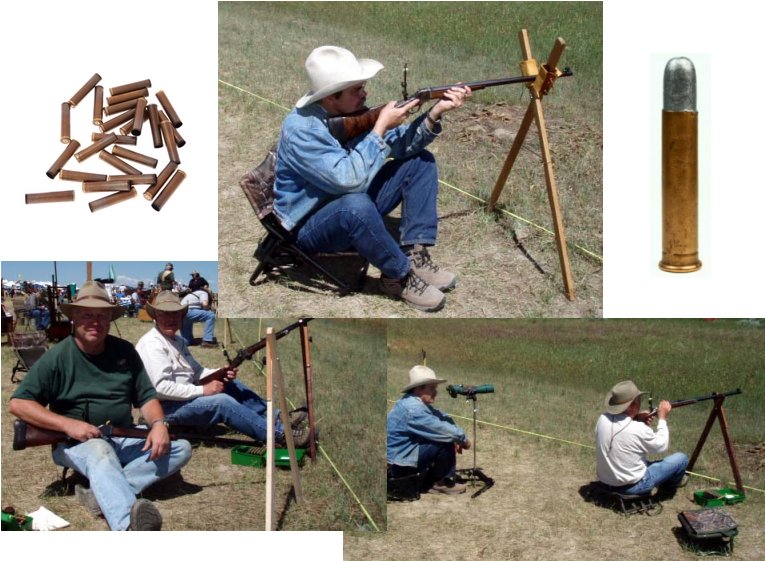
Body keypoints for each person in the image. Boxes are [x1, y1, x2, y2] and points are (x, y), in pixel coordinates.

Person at [273, 46, 471, 312]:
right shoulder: (302, 130)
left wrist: (435, 112)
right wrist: (379, 127)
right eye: (357, 89)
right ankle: (397, 277)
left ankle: (415, 256)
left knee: (420, 163)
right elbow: (349, 181)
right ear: (332, 97)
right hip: (309, 224)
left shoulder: (348, 116)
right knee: (355, 205)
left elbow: (401, 147)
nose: (365, 93)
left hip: (345, 203)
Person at [9, 281, 192, 531]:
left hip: (123, 436)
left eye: (101, 315)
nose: (94, 321)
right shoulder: (57, 356)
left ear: (109, 319)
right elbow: (19, 403)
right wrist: (68, 424)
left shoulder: (125, 351)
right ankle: (129, 525)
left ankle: (101, 492)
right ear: (74, 317)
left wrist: (159, 424)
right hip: (75, 444)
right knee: (99, 451)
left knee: (180, 447)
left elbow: (147, 398)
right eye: (87, 315)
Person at [135, 291, 311, 447]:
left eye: (175, 314)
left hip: (182, 398)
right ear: (155, 316)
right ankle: (281, 435)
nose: (171, 319)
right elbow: (160, 388)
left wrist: (219, 372)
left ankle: (277, 418)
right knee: (222, 403)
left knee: (230, 383)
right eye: (164, 314)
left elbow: (197, 371)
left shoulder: (178, 340)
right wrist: (203, 390)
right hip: (163, 408)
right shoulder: (152, 344)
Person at [595, 380, 689, 496]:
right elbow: (661, 445)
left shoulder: (602, 419)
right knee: (681, 459)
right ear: (634, 404)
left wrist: (636, 417)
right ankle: (667, 488)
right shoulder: (638, 429)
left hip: (606, 481)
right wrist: (662, 418)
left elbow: (622, 427)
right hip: (633, 487)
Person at [387, 365, 470, 495]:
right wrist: (463, 440)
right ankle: (441, 483)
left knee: (444, 436)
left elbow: (441, 417)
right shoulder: (414, 409)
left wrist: (456, 435)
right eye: (432, 388)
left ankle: (431, 478)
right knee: (444, 440)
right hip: (398, 465)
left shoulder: (411, 402)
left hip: (397, 458)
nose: (435, 392)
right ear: (419, 388)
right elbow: (444, 430)